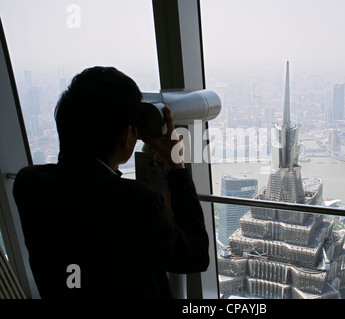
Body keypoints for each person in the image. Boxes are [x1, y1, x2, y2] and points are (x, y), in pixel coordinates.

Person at [12, 66, 209, 299]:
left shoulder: (29, 183)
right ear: (126, 135)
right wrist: (176, 167)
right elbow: (195, 255)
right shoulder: (135, 201)